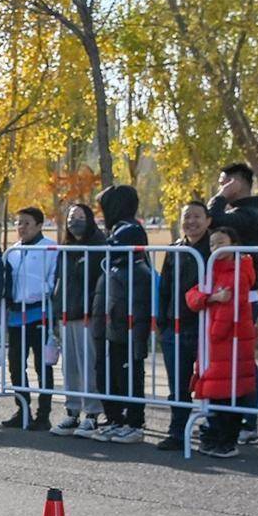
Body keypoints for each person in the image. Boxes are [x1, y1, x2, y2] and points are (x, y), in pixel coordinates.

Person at [189, 222, 258, 457]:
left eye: (221, 242)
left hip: (231, 341)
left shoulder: (239, 271)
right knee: (218, 391)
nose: (215, 247)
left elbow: (231, 309)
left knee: (230, 392)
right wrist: (210, 298)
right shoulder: (213, 270)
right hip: (216, 344)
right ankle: (216, 437)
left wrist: (214, 335)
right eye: (212, 243)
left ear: (235, 245)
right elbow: (192, 296)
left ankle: (226, 441)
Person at [92, 183, 153, 441]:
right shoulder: (119, 229)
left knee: (129, 364)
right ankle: (116, 418)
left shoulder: (131, 229)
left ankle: (134, 421)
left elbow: (108, 252)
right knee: (111, 364)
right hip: (114, 306)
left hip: (129, 308)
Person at [154, 202, 214, 450]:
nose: (191, 221)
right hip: (174, 327)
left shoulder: (215, 249)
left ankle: (212, 431)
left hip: (205, 328)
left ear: (208, 220)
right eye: (186, 217)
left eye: (197, 217)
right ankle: (177, 431)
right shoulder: (175, 249)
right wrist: (162, 321)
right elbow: (165, 288)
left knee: (209, 384)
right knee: (177, 385)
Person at [0, 206, 58, 429]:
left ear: (39, 225)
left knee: (42, 365)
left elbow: (54, 278)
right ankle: (22, 408)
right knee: (15, 364)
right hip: (16, 315)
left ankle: (44, 413)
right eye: (18, 223)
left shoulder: (50, 248)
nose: (21, 227)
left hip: (39, 313)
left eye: (26, 223)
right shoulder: (13, 251)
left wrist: (43, 290)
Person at [52, 202, 103, 435]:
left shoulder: (98, 245)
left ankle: (92, 413)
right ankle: (72, 411)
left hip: (88, 315)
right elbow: (59, 282)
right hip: (67, 314)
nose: (75, 221)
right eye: (71, 217)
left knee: (88, 365)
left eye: (80, 216)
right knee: (70, 366)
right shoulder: (65, 249)